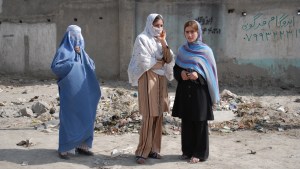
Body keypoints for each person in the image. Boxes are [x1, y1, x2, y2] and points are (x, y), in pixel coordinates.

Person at [128, 13, 174, 164]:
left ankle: (154, 150)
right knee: (148, 114)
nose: (159, 28)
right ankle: (142, 151)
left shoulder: (161, 40)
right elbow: (144, 61)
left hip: (160, 79)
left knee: (159, 114)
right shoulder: (142, 39)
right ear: (149, 25)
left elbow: (168, 59)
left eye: (161, 25)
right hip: (147, 78)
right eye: (156, 25)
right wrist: (159, 62)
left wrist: (162, 42)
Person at [172, 20, 220, 163]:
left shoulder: (206, 51)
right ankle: (187, 151)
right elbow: (176, 69)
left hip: (200, 93)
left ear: (198, 33)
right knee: (186, 122)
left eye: (192, 32)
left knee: (199, 123)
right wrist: (181, 74)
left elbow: (211, 75)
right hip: (184, 91)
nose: (190, 35)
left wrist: (197, 76)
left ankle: (200, 153)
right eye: (187, 32)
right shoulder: (182, 50)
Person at [51, 25, 101, 160]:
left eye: (79, 35)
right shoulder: (63, 50)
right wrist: (73, 64)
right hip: (70, 92)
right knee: (69, 118)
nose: (77, 39)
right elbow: (56, 67)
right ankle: (64, 149)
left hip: (84, 91)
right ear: (68, 36)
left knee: (86, 116)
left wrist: (82, 55)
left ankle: (83, 146)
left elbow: (92, 66)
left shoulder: (83, 52)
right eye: (74, 36)